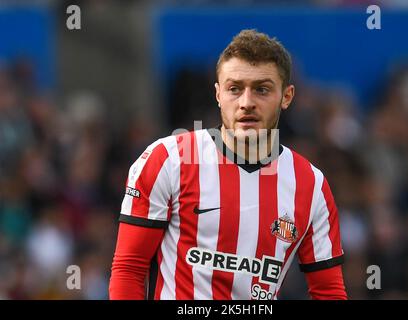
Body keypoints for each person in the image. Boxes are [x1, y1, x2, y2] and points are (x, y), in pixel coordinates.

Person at [109, 29, 347, 300]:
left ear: (287, 96)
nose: (247, 103)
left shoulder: (311, 184)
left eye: (262, 89)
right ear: (218, 94)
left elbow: (328, 291)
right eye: (235, 89)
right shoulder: (167, 159)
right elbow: (129, 268)